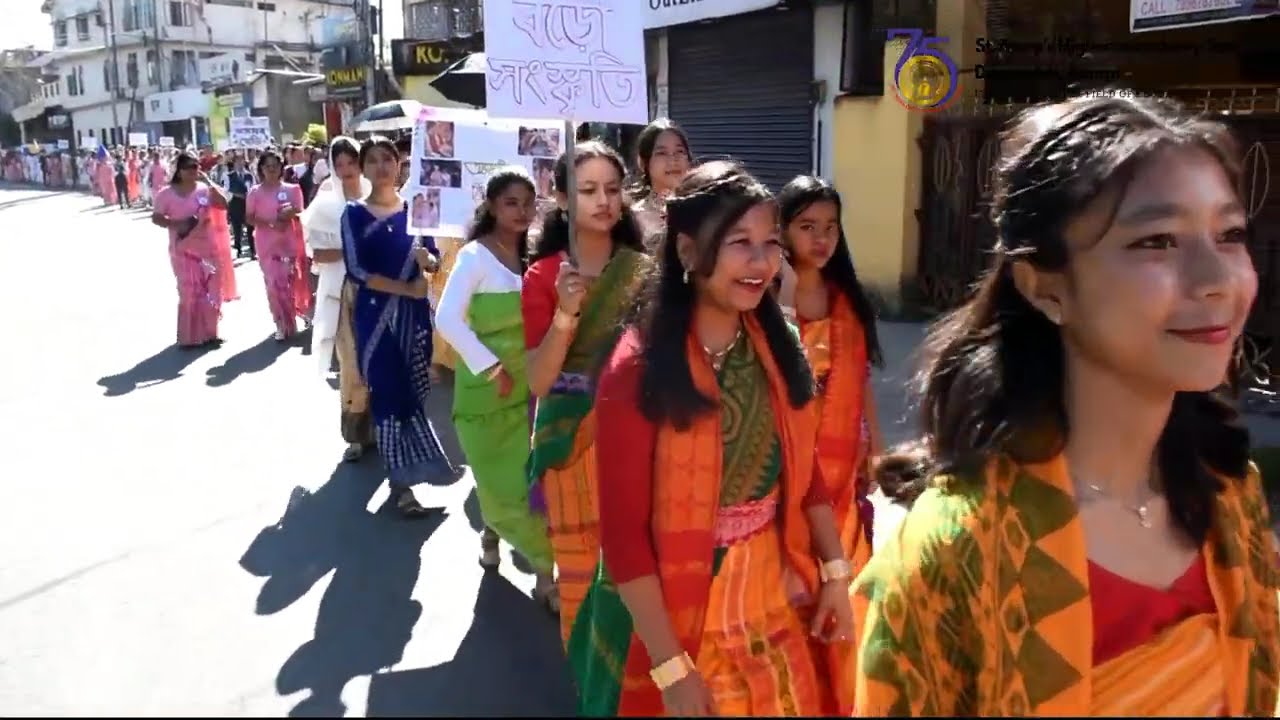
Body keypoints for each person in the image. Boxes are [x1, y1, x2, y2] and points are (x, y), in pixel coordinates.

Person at [853, 94, 1277, 716]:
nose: (1216, 278)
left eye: (1230, 234)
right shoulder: (959, 547)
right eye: (1157, 241)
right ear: (1045, 288)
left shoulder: (1231, 495)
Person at [572, 161, 855, 717]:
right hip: (683, 614)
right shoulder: (637, 369)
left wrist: (836, 576)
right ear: (686, 252)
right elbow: (625, 538)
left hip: (773, 595)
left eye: (771, 242)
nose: (762, 261)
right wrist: (673, 670)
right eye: (739, 243)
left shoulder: (777, 347)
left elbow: (805, 474)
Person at [523, 140, 650, 641]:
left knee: (635, 571)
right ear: (560, 199)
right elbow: (538, 380)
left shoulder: (643, 271)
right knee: (582, 580)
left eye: (614, 189)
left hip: (636, 436)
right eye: (589, 190)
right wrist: (565, 313)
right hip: (570, 443)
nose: (604, 201)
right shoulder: (544, 276)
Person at [435, 167, 558, 603]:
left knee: (530, 486)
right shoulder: (474, 256)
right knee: (506, 483)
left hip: (534, 393)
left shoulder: (537, 253)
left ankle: (498, 540)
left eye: (528, 202)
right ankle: (546, 576)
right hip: (487, 395)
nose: (522, 211)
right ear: (490, 206)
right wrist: (493, 369)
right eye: (511, 202)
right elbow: (447, 319)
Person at [775, 176, 883, 582]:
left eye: (830, 227)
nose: (821, 238)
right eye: (807, 227)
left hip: (844, 455)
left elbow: (862, 379)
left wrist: (878, 448)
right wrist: (783, 292)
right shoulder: (764, 297)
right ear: (782, 230)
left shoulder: (847, 299)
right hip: (789, 453)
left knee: (846, 568)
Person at [341, 135, 453, 517]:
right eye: (371, 161)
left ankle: (411, 467)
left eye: (387, 159)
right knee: (388, 393)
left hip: (414, 317)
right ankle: (401, 484)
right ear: (363, 168)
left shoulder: (419, 207)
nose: (381, 167)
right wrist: (405, 287)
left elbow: (435, 262)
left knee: (414, 392)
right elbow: (357, 270)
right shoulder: (354, 214)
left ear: (400, 162)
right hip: (377, 318)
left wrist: (428, 261)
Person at [302, 136, 376, 462]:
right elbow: (317, 252)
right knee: (350, 362)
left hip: (379, 290)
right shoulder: (325, 202)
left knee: (380, 361)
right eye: (340, 164)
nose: (346, 170)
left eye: (352, 162)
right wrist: (352, 250)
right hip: (342, 291)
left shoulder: (379, 196)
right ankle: (356, 435)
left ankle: (384, 429)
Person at [150, 150, 239, 348]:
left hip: (208, 248)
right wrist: (176, 224)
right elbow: (156, 218)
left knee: (212, 290)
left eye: (196, 167)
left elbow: (224, 204)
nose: (193, 171)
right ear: (179, 171)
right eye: (188, 168)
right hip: (183, 250)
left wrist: (209, 182)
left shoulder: (204, 189)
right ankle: (189, 336)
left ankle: (210, 333)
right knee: (190, 293)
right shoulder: (166, 194)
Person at [247, 149, 312, 341]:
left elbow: (301, 212)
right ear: (261, 169)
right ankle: (281, 323)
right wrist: (269, 223)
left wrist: (290, 213)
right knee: (274, 284)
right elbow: (249, 217)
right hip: (267, 244)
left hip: (289, 241)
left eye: (275, 166)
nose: (272, 170)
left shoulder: (292, 189)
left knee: (289, 282)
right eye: (268, 166)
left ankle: (297, 312)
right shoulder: (255, 192)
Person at [628, 119, 692, 246]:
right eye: (662, 153)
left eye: (680, 151)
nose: (673, 160)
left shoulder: (704, 208)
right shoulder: (633, 219)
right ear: (643, 162)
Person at [223, 155, 256, 258]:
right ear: (234, 163)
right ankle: (238, 248)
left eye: (241, 161)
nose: (240, 163)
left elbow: (254, 188)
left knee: (250, 227)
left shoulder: (249, 175)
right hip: (235, 204)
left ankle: (253, 250)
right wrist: (236, 194)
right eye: (237, 161)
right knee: (237, 228)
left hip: (247, 204)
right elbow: (226, 190)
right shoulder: (228, 176)